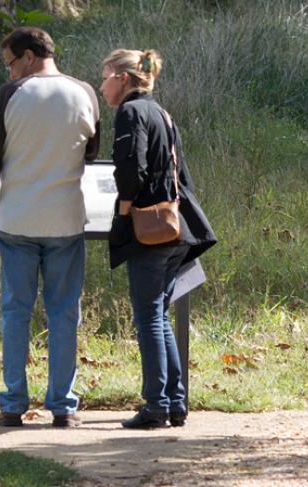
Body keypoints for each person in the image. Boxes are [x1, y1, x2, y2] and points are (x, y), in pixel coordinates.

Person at [0, 27, 100, 428]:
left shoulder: (12, 96)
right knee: (63, 314)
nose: (9, 73)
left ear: (27, 56)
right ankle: (63, 406)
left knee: (14, 312)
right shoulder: (85, 93)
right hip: (65, 219)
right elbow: (91, 152)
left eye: (10, 64)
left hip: (18, 219)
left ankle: (12, 404)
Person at [99, 49, 216, 429]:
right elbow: (182, 176)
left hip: (149, 230)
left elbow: (131, 168)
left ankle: (155, 406)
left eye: (105, 77)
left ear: (123, 78)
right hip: (175, 228)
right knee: (157, 315)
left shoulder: (131, 113)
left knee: (148, 315)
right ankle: (174, 402)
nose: (101, 86)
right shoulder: (162, 112)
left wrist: (123, 213)